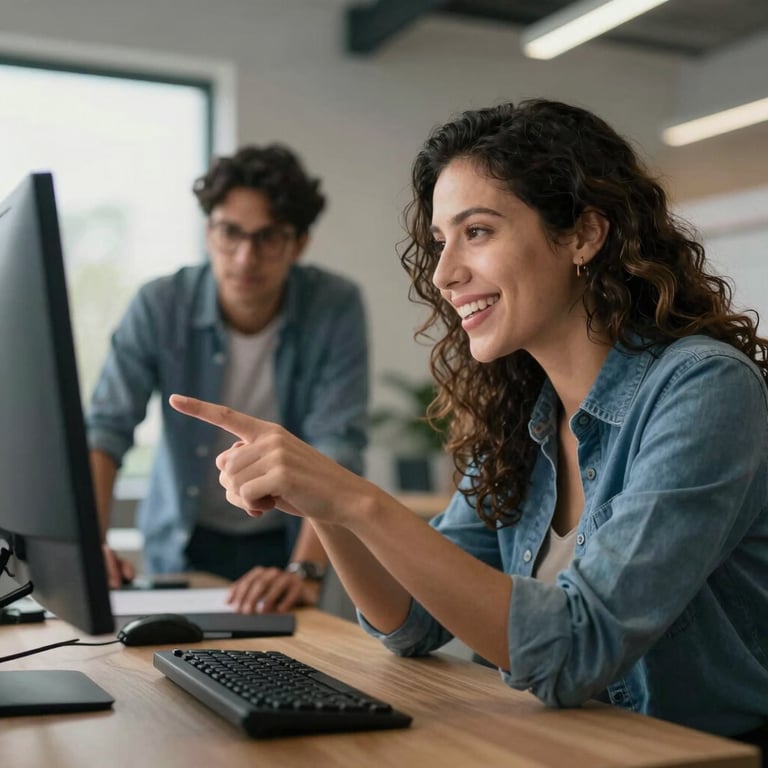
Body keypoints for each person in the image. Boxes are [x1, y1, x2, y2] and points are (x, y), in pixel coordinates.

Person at [168, 99, 768, 752]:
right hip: (564, 747)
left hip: (687, 756)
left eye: (476, 232)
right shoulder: (526, 411)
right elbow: (412, 620)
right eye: (438, 242)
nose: (445, 273)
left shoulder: (704, 388)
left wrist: (357, 501)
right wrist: (323, 504)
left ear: (583, 235)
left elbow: (578, 645)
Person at [86, 143, 369, 613]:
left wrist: (304, 572)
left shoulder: (334, 307)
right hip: (184, 539)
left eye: (268, 237)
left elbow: (337, 444)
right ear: (207, 231)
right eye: (229, 233)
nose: (244, 258)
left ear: (299, 243)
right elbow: (105, 430)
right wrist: (88, 552)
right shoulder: (160, 305)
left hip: (291, 536)